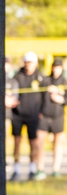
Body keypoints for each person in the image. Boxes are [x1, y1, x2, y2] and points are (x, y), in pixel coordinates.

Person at [10, 52, 47, 181]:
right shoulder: (17, 76)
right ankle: (16, 170)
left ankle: (32, 169)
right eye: (26, 62)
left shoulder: (40, 78)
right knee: (17, 143)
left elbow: (45, 97)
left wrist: (42, 112)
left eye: (30, 62)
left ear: (35, 63)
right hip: (18, 116)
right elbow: (11, 92)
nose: (28, 65)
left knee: (33, 144)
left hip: (33, 116)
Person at [39, 57, 67, 178]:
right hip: (44, 116)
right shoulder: (46, 81)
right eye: (54, 67)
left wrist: (60, 98)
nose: (56, 69)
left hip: (58, 116)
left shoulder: (64, 82)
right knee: (40, 142)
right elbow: (38, 97)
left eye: (58, 67)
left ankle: (56, 168)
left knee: (58, 143)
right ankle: (40, 169)